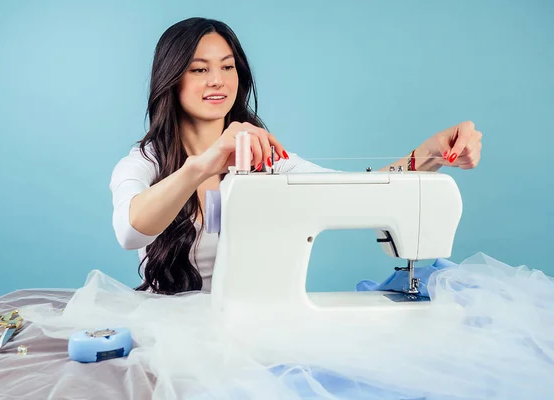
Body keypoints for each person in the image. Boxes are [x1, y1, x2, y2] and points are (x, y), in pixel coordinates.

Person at [109, 17, 483, 295]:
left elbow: (353, 191)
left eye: (227, 67)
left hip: (250, 326)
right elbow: (129, 231)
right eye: (199, 69)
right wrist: (205, 164)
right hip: (173, 333)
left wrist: (428, 153)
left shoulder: (266, 159)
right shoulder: (144, 163)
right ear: (172, 79)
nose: (218, 80)